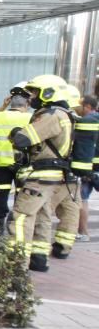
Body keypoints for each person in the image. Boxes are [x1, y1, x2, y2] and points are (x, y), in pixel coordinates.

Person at [6, 75, 74, 272]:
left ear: (48, 92)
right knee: (42, 215)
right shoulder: (64, 113)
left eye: (35, 92)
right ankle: (39, 258)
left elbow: (23, 139)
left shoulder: (51, 115)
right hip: (51, 176)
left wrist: (16, 133)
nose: (32, 97)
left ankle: (16, 262)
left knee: (21, 217)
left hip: (40, 175)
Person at [49, 87, 95, 257]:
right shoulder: (80, 121)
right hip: (74, 175)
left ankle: (36, 250)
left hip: (56, 173)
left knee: (42, 211)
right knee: (71, 211)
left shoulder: (57, 117)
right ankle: (64, 247)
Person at [0, 85, 32, 234]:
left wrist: (3, 106)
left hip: (1, 164)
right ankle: (18, 225)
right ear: (27, 104)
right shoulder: (30, 118)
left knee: (1, 195)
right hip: (22, 164)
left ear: (10, 102)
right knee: (21, 195)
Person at [78, 95, 99, 242]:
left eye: (81, 106)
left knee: (82, 200)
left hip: (88, 167)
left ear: (87, 106)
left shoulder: (85, 122)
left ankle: (84, 233)